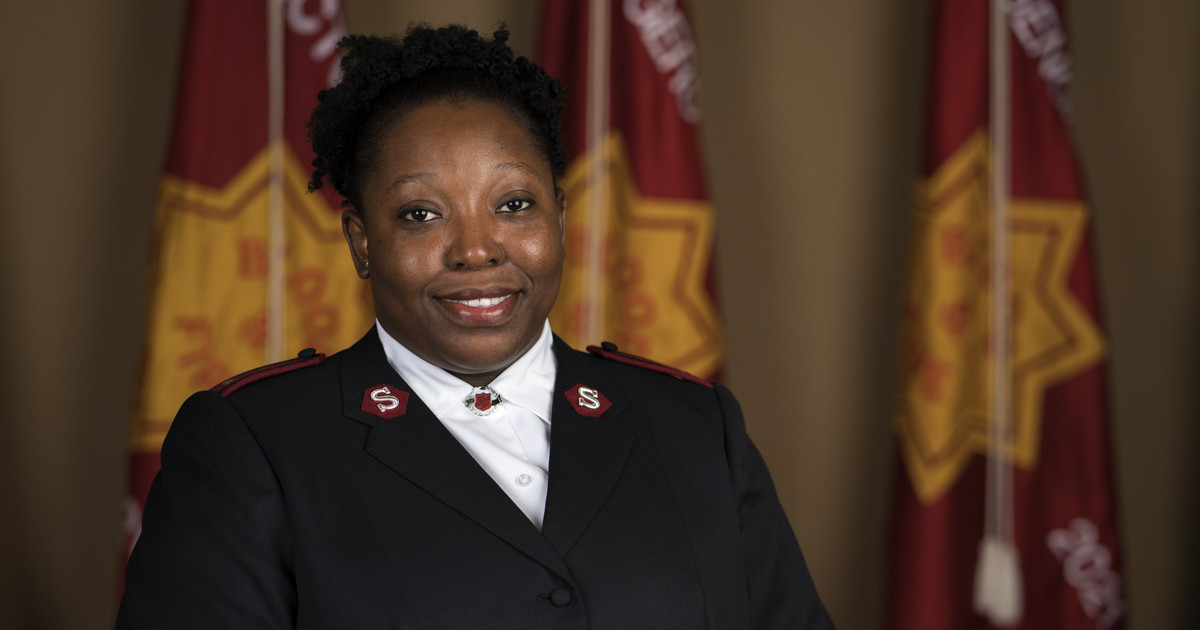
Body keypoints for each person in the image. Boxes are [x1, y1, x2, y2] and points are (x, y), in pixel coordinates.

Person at [117, 25, 834, 630]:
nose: (476, 250)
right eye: (421, 214)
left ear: (559, 217)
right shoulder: (254, 443)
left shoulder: (695, 427)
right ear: (362, 242)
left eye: (514, 204)